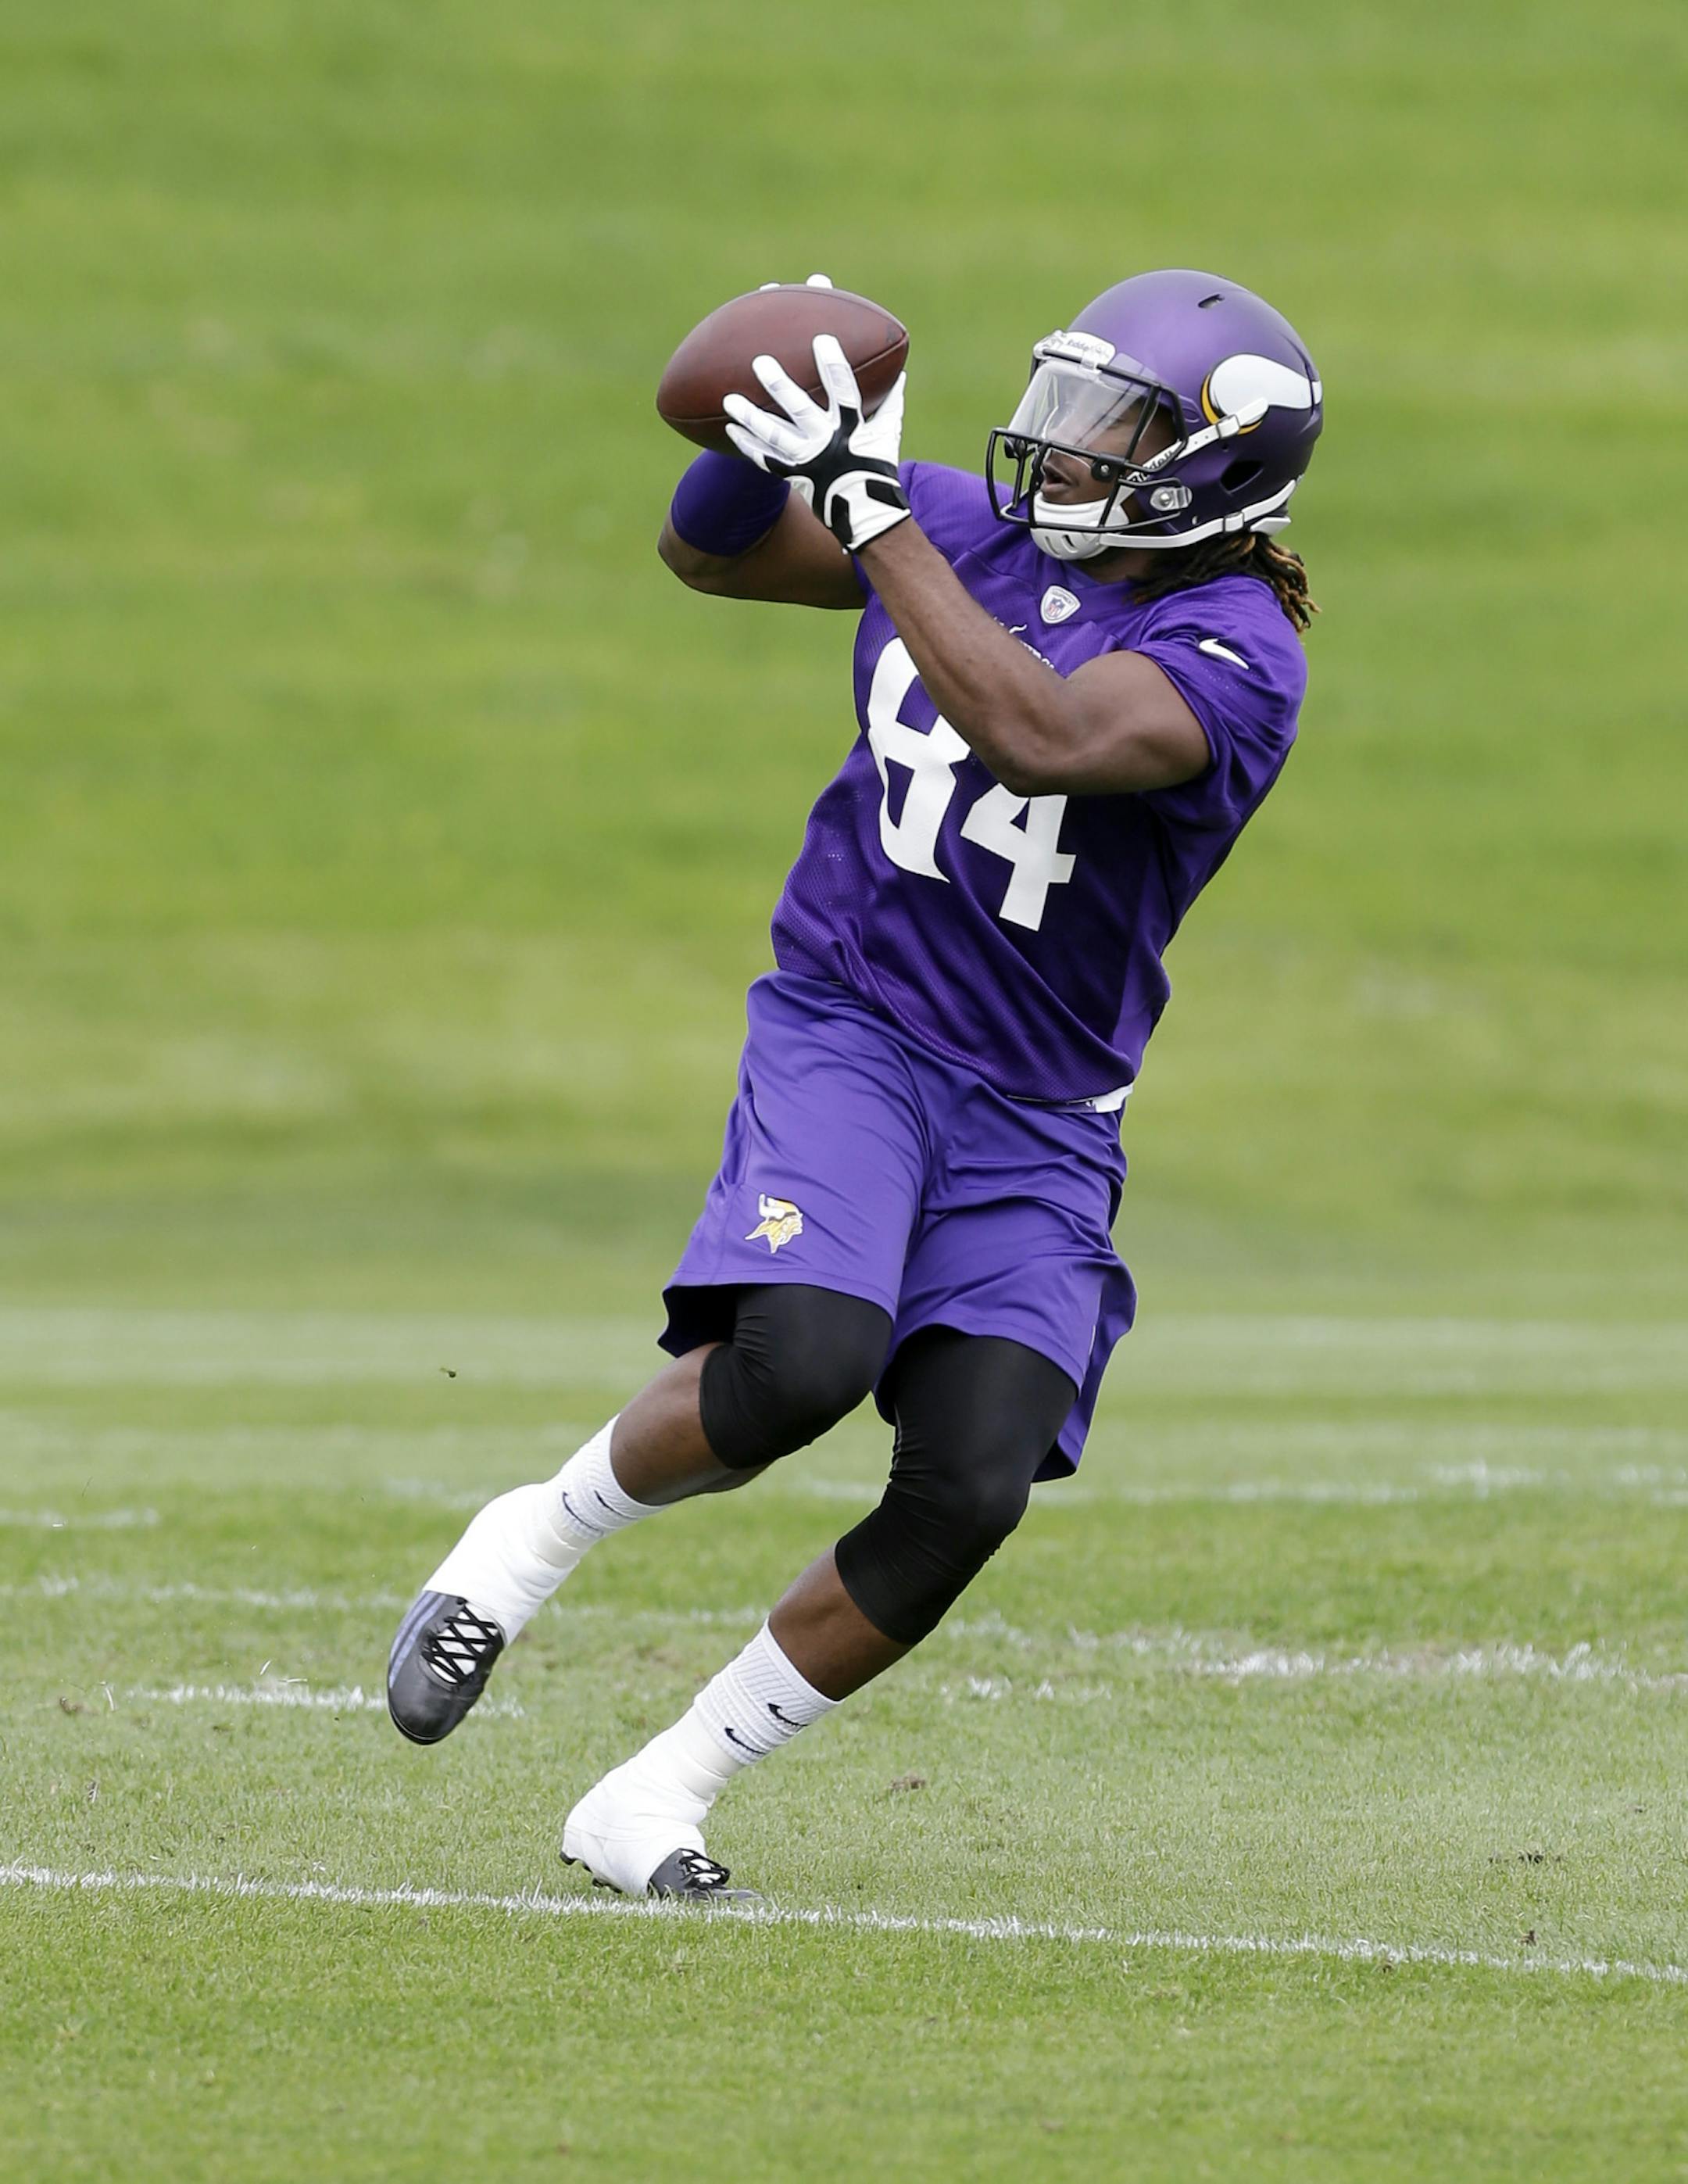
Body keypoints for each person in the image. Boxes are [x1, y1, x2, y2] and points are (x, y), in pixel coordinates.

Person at [387, 267, 1324, 1900]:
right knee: (798, 1361)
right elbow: (709, 550)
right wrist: (781, 426)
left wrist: (873, 498)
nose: (1064, 451)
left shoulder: (1237, 652)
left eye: (1115, 429)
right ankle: (518, 1544)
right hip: (859, 1025)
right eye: (1068, 404)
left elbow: (1038, 728)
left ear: (1214, 469)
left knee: (970, 1474)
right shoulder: (963, 525)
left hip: (1036, 1111)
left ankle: (655, 1789)